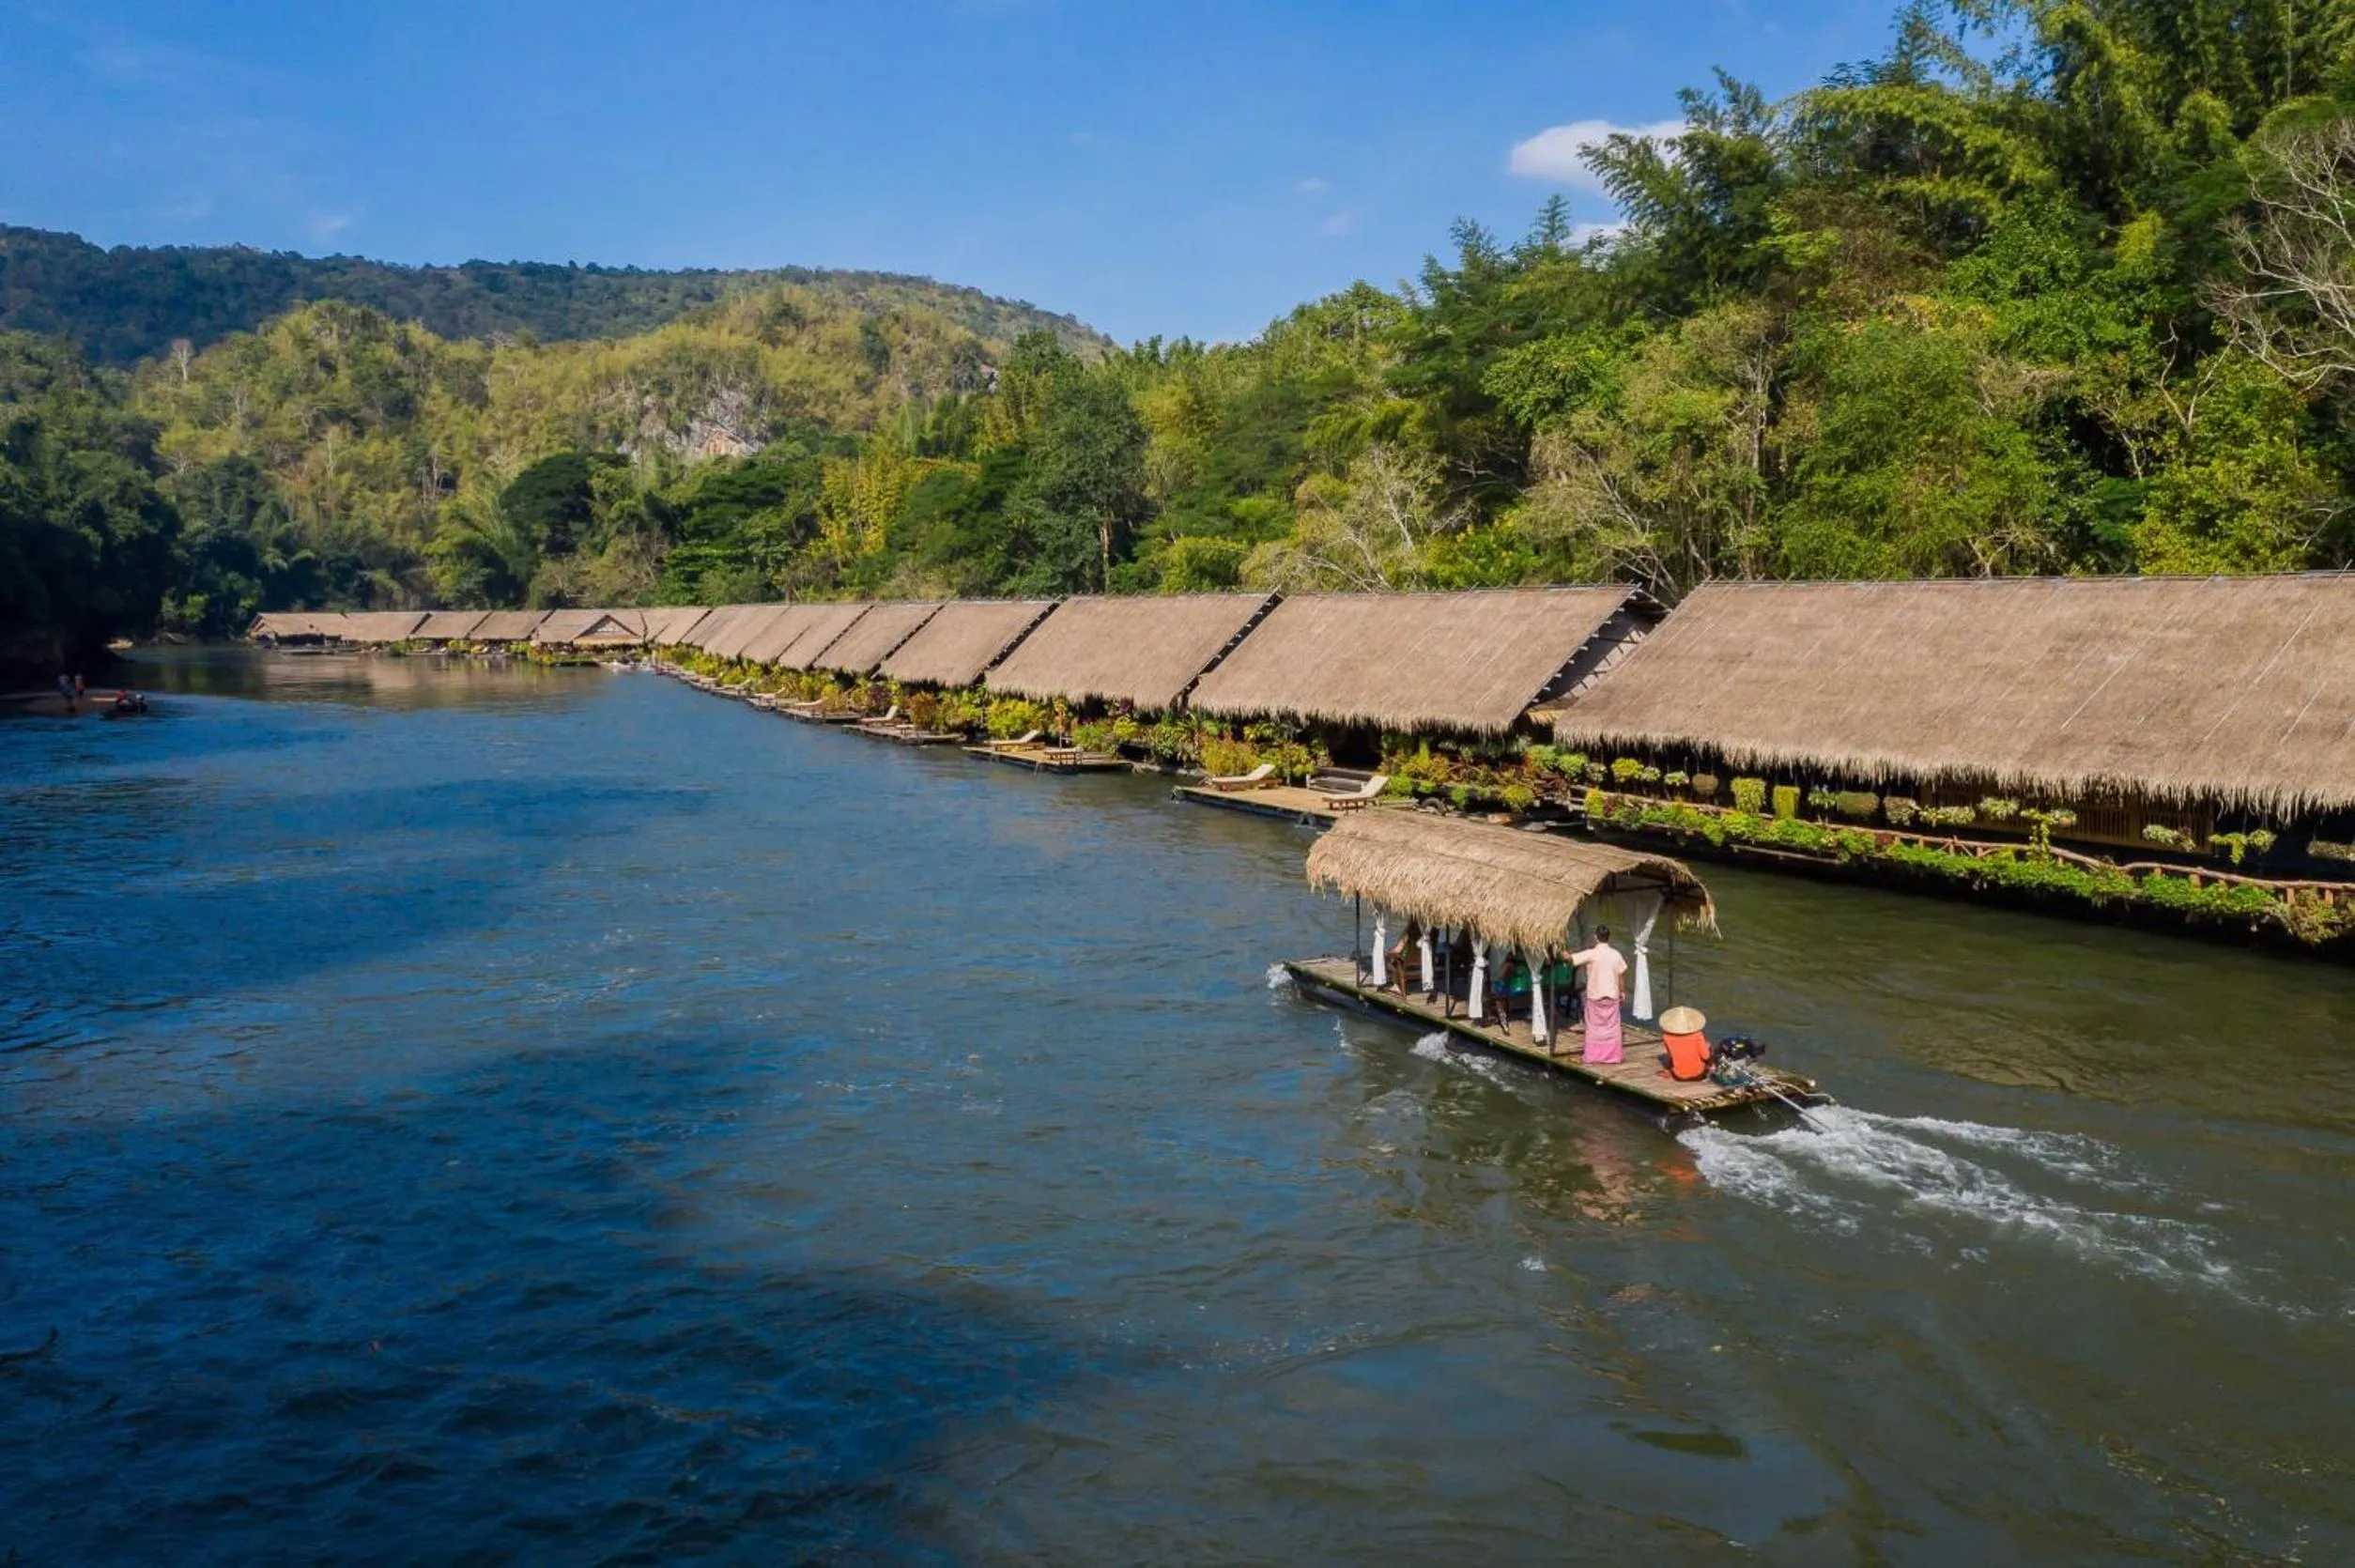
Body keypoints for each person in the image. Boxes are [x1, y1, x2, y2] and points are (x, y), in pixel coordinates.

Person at [1569, 927, 1629, 1065]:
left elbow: (1571, 959)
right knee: (1613, 1028)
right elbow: (1621, 976)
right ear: (1609, 937)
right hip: (1612, 996)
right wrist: (1622, 992)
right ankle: (1613, 1056)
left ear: (1596, 937)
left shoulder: (1592, 954)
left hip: (1595, 996)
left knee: (1593, 1029)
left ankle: (1593, 1056)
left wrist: (1561, 949)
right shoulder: (1616, 955)